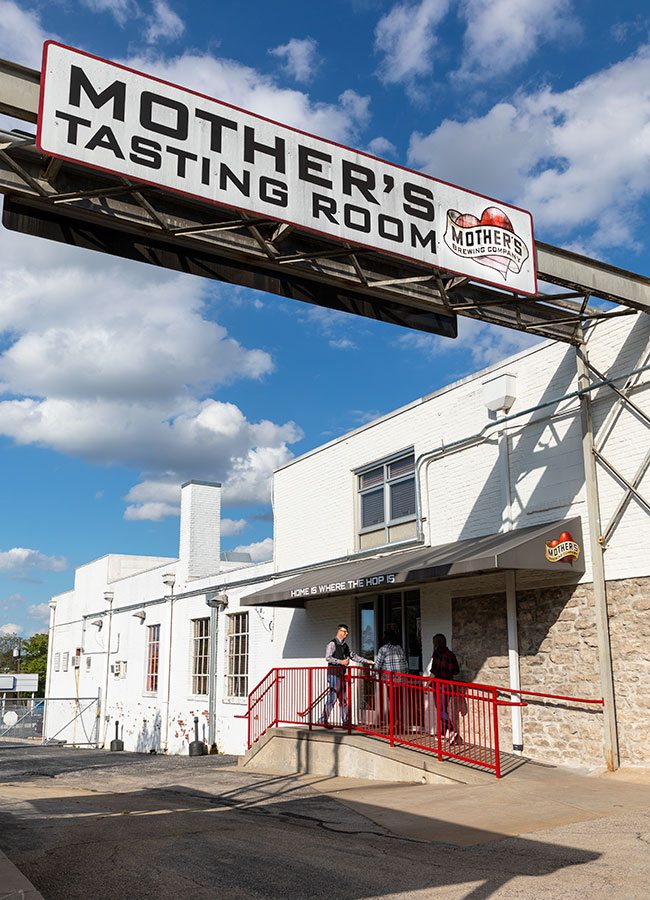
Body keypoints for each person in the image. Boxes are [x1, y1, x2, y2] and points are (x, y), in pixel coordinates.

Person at [319, 624, 372, 727]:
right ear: (339, 631)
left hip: (342, 674)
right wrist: (341, 662)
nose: (346, 634)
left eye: (347, 632)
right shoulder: (332, 644)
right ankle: (322, 720)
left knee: (343, 699)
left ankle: (346, 722)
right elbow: (328, 658)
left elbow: (353, 656)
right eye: (344, 632)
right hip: (334, 674)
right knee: (333, 697)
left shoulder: (345, 645)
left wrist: (366, 661)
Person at [426, 633, 461, 743]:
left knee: (441, 710)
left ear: (435, 643)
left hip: (439, 686)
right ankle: (442, 733)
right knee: (443, 709)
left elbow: (434, 671)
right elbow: (456, 671)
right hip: (448, 686)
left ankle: (451, 730)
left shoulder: (437, 654)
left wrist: (427, 683)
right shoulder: (451, 654)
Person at [374, 628, 409, 732]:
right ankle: (400, 723)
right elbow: (405, 664)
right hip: (401, 679)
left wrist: (372, 672)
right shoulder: (399, 648)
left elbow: (378, 665)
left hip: (391, 680)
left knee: (392, 702)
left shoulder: (383, 649)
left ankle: (394, 724)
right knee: (399, 702)